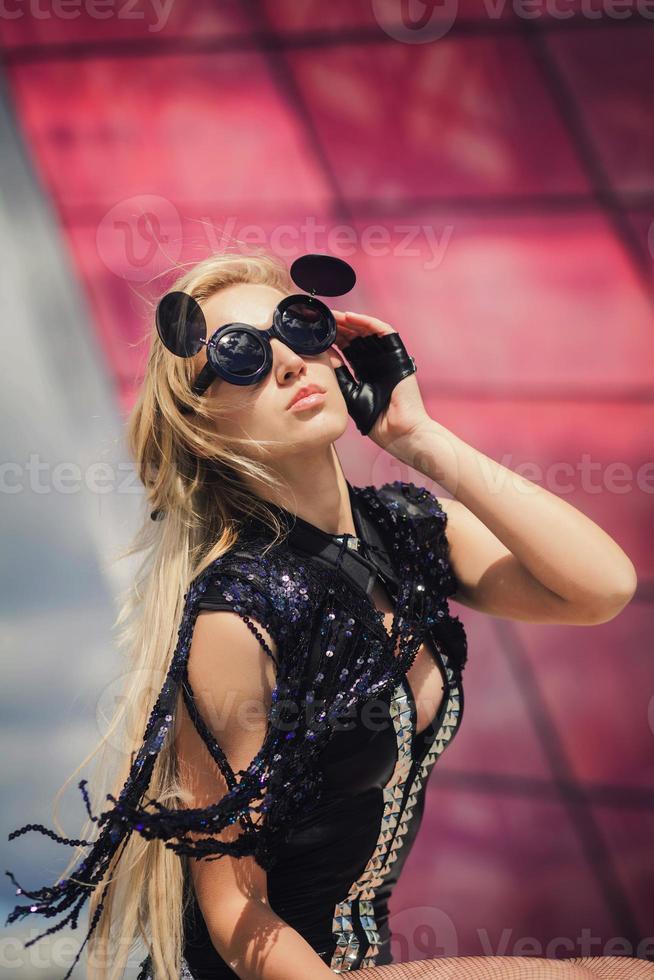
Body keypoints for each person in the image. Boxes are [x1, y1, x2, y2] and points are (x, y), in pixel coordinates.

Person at [5, 252, 645, 980]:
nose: (285, 362)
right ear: (204, 424)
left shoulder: (405, 529)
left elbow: (601, 587)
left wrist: (417, 437)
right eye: (241, 355)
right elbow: (234, 909)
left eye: (300, 329)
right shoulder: (236, 612)